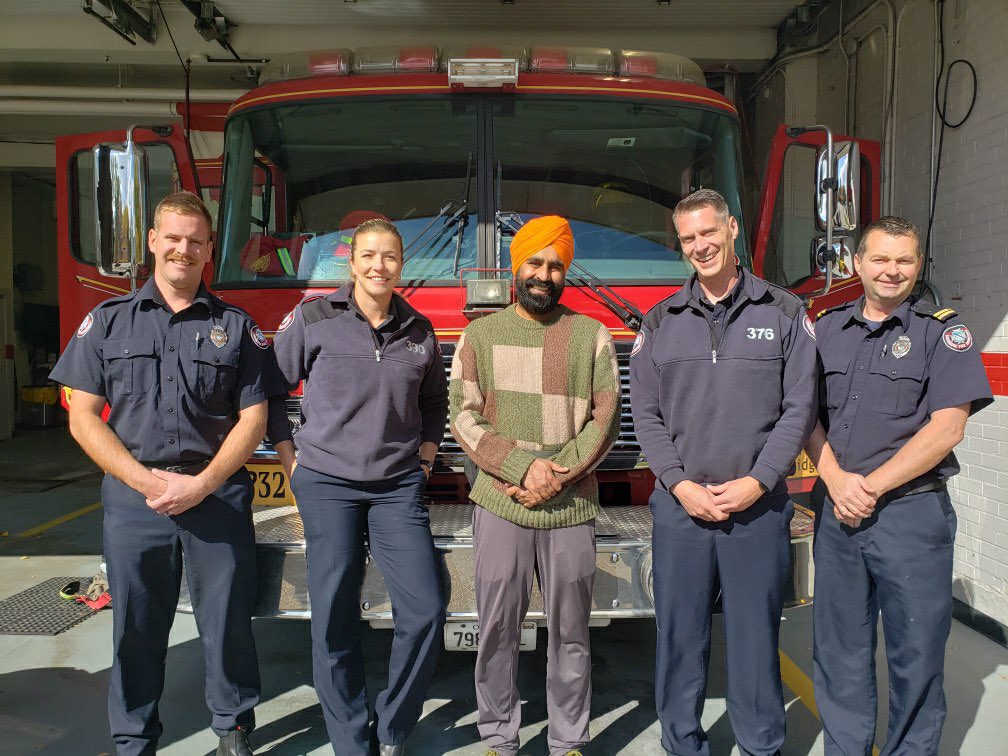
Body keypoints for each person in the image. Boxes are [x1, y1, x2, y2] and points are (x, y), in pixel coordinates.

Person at [50, 191, 288, 756]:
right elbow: (82, 418)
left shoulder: (236, 326)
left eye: (195, 241)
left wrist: (202, 483)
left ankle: (233, 728)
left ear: (209, 251)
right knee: (135, 626)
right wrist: (142, 480)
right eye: (173, 238)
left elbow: (254, 418)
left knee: (228, 623)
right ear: (154, 242)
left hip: (216, 495)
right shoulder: (106, 322)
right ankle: (134, 739)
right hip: (137, 501)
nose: (184, 249)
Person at [630, 189, 817, 755]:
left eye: (708, 233)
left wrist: (758, 481)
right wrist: (681, 485)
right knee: (679, 636)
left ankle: (761, 742)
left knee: (755, 638)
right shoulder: (661, 320)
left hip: (756, 510)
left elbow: (799, 408)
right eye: (688, 239)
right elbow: (646, 413)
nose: (700, 246)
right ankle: (682, 741)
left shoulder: (784, 312)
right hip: (681, 510)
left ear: (732, 229)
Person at [806, 216, 992, 755]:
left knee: (916, 654)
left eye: (904, 260)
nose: (892, 271)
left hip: (910, 516)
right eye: (880, 259)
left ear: (917, 266)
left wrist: (869, 487)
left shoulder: (941, 333)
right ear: (857, 264)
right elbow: (805, 416)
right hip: (837, 514)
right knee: (839, 650)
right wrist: (838, 481)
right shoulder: (828, 329)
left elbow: (948, 427)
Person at [271, 217, 448, 756]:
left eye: (389, 257)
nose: (379, 266)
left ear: (401, 265)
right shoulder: (313, 318)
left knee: (426, 609)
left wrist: (424, 460)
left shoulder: (419, 330)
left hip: (397, 487)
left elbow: (434, 404)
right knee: (333, 613)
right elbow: (269, 390)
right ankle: (350, 739)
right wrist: (291, 464)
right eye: (368, 256)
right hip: (326, 484)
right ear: (351, 263)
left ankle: (392, 728)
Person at [449, 215, 621, 756]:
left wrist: (556, 476)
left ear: (564, 272)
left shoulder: (591, 336)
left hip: (571, 504)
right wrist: (524, 470)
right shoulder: (479, 335)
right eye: (535, 262)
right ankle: (499, 736)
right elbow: (464, 416)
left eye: (555, 265)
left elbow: (606, 418)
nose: (544, 274)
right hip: (501, 502)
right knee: (497, 629)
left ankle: (568, 737)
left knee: (572, 633)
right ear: (515, 267)